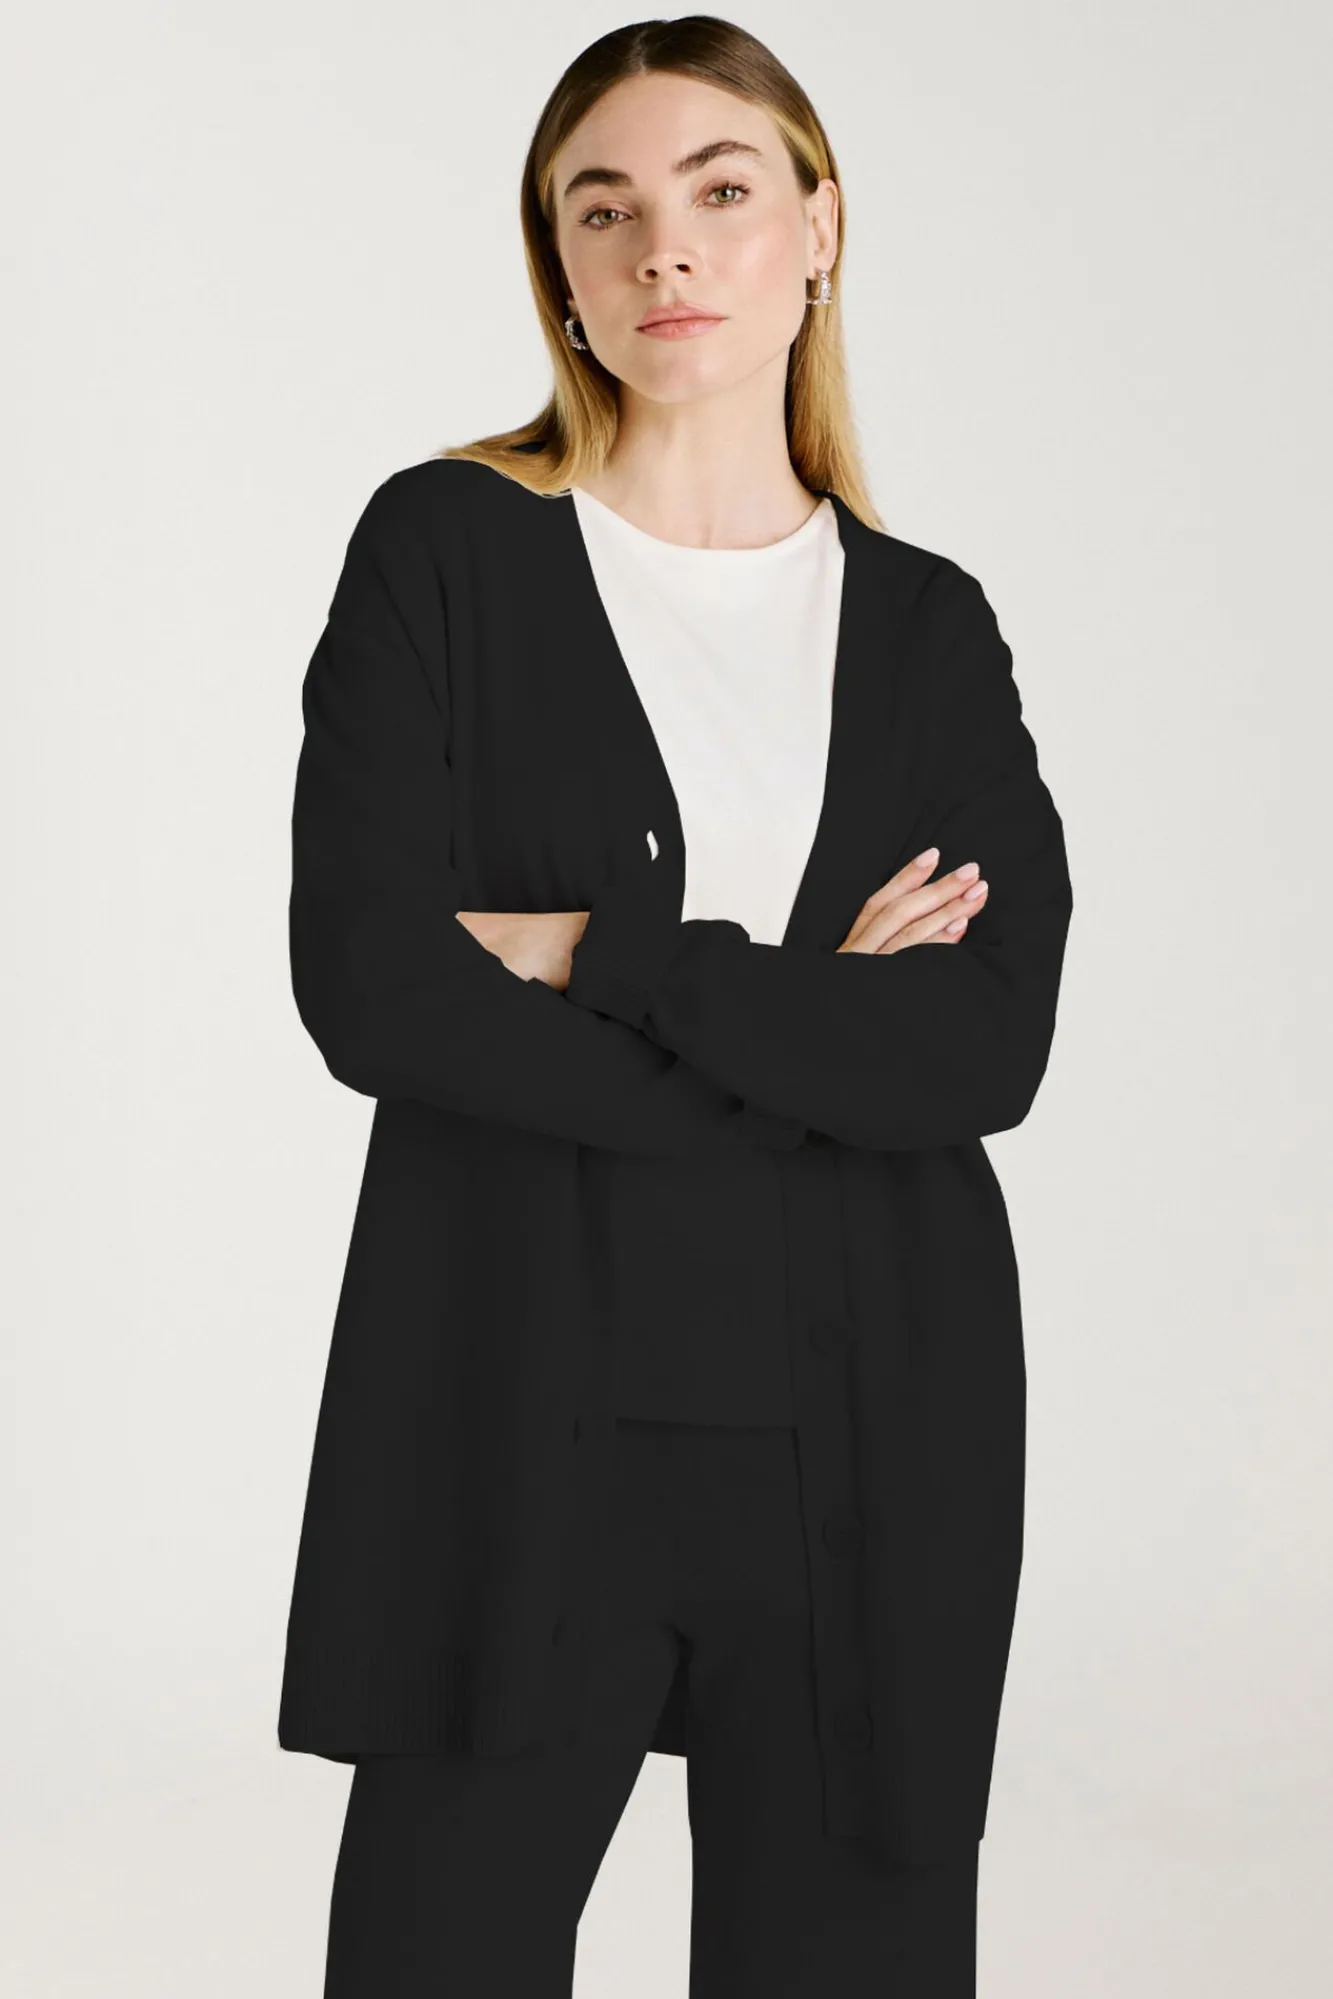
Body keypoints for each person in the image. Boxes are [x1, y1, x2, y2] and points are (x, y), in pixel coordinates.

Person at [278, 17, 1074, 1997]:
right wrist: (812, 1039)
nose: (666, 249)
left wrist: (601, 956)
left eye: (722, 190)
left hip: (868, 1446)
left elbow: (984, 1046)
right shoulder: (447, 549)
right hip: (513, 1424)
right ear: (557, 263)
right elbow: (374, 987)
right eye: (603, 209)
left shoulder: (927, 628)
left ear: (821, 229)